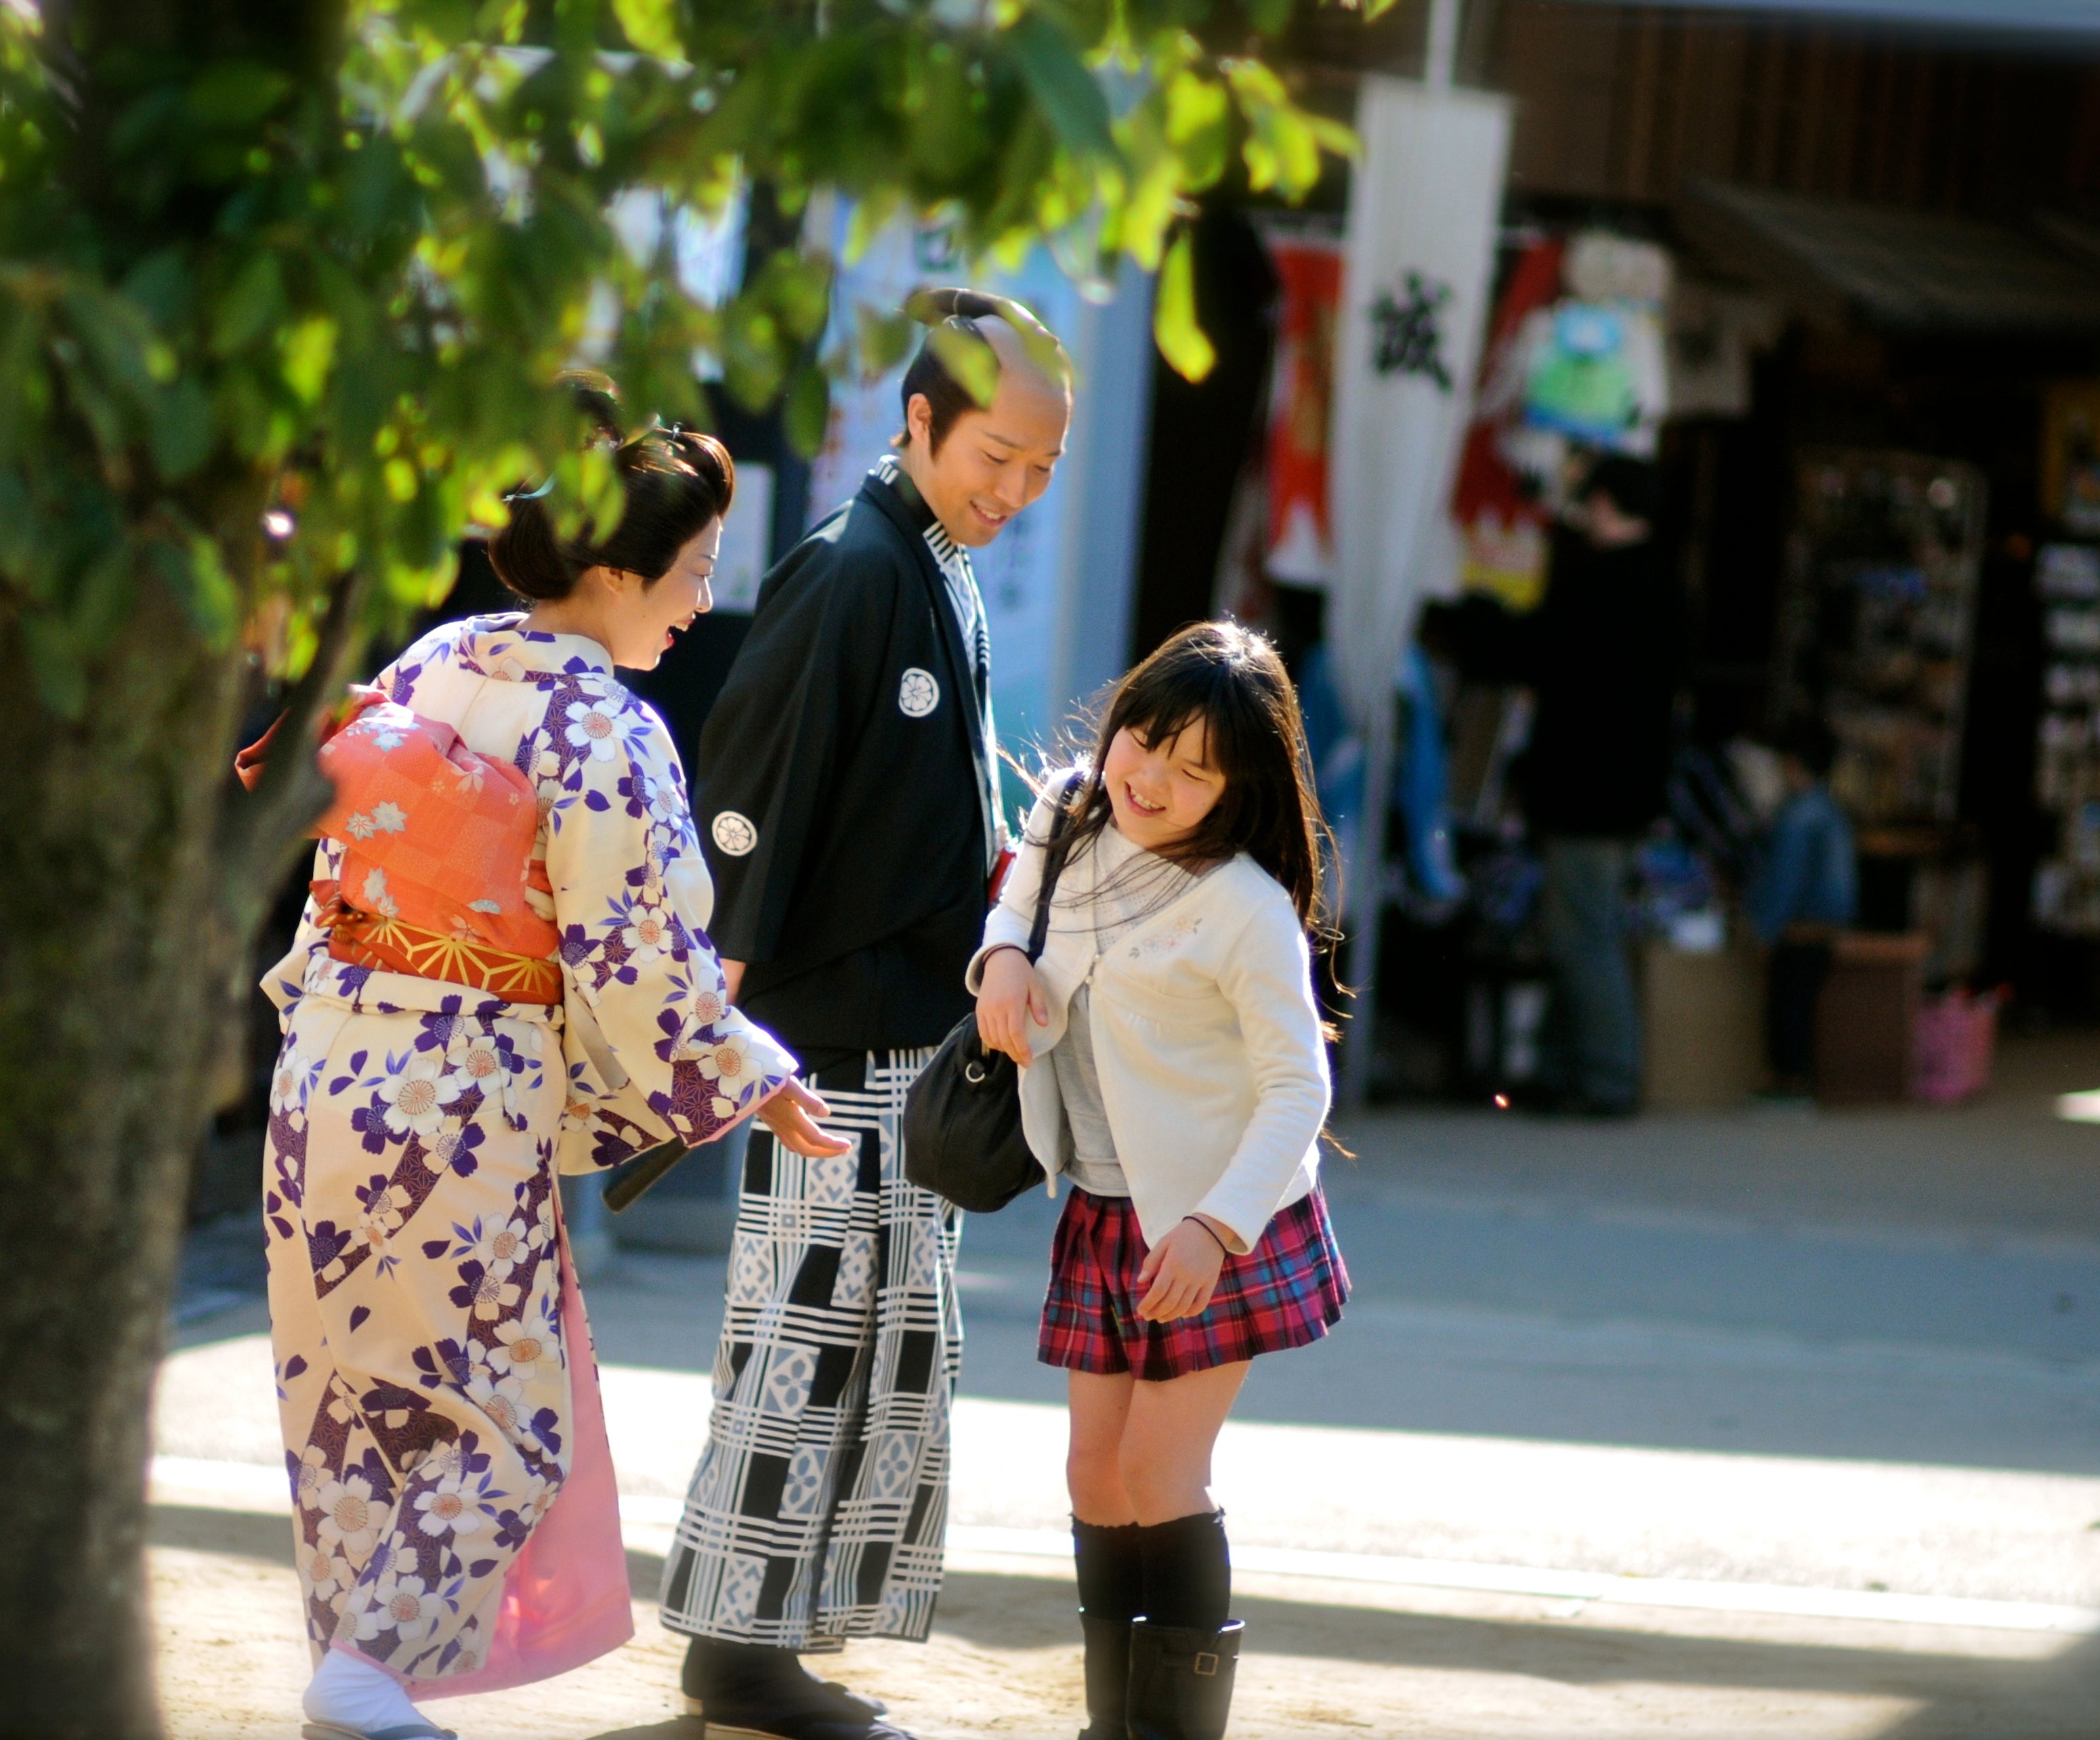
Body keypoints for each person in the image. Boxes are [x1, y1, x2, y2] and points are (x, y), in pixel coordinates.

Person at [259, 385, 853, 1740]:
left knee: (355, 1393)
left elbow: (340, 857)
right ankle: (365, 1670)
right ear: (614, 571)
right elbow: (634, 946)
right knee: (510, 1418)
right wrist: (747, 1065)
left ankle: (362, 1670)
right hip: (460, 1091)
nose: (702, 603)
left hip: (329, 1062)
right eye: (694, 572)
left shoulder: (430, 664)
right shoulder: (603, 727)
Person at [660, 289, 1073, 1740]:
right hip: (823, 1047)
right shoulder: (851, 569)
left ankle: (775, 1634)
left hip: (905, 1035)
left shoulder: (934, 561)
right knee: (803, 1337)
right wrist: (730, 1022)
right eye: (997, 457)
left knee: (889, 1346)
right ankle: (739, 1647)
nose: (1015, 490)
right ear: (920, 421)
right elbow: (747, 798)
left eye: (1040, 470)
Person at [971, 621, 1346, 1740]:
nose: (1154, 779)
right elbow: (1017, 892)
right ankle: (1112, 1724)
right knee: (1094, 1475)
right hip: (1103, 1197)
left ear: (1236, 792)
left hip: (1221, 1214)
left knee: (1154, 1470)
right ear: (1123, 714)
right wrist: (999, 959)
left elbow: (1299, 1089)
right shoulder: (1076, 807)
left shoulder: (1243, 903)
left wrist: (1214, 1229)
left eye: (1194, 772)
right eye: (1148, 741)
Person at [1441, 454, 1686, 1116]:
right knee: (1582, 924)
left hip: (1585, 788)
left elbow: (1533, 651)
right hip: (1628, 790)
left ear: (1604, 502)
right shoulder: (1663, 583)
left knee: (1580, 931)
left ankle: (1606, 1075)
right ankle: (1562, 1068)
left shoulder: (1597, 583)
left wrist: (1477, 614)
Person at [1748, 716, 1858, 1091]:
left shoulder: (1797, 817)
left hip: (1798, 928)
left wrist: (1765, 928)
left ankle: (1789, 1080)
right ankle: (1800, 1077)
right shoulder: (1832, 812)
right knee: (1804, 1004)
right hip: (1827, 927)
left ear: (1793, 764)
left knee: (1787, 1006)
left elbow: (1786, 881)